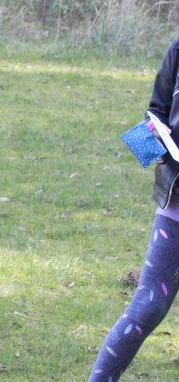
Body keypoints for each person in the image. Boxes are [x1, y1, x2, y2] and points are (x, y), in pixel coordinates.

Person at [89, 38, 179, 381]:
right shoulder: (178, 51)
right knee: (149, 304)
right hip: (177, 198)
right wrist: (157, 131)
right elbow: (156, 109)